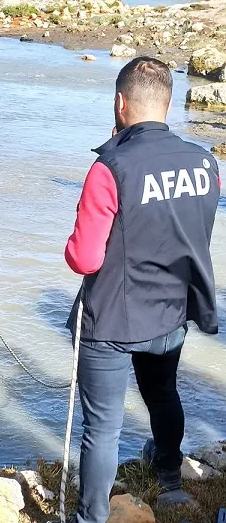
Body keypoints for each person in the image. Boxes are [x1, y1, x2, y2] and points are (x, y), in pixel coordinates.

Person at [64, 57, 220, 523]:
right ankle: (170, 474)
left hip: (113, 315)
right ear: (169, 104)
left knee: (102, 428)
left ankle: (89, 517)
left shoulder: (109, 167)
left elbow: (84, 258)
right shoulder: (206, 162)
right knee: (163, 393)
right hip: (172, 309)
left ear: (119, 102)